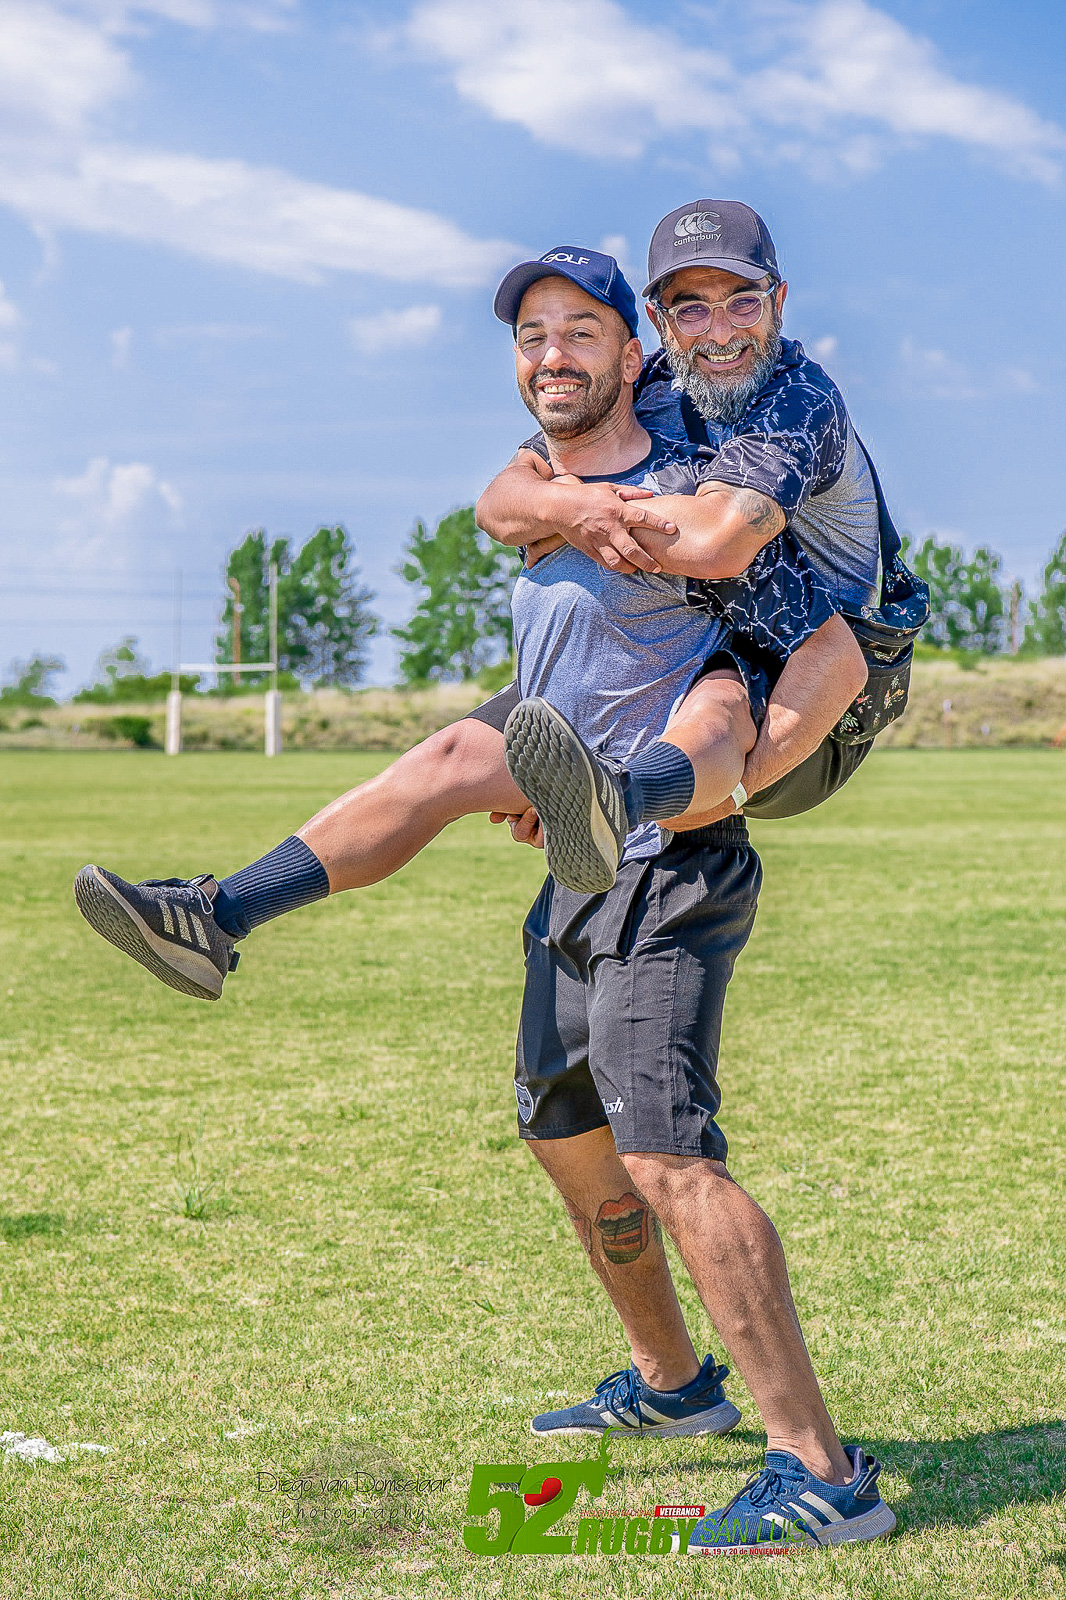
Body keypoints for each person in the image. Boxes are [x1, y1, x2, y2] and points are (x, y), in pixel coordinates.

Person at [72, 245, 864, 1000]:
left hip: (684, 731)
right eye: (533, 339)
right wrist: (564, 507)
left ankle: (612, 799)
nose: (553, 356)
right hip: (571, 724)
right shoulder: (551, 480)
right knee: (445, 760)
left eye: (580, 334)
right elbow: (496, 504)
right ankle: (215, 917)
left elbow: (811, 631)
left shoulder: (694, 488)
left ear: (633, 360)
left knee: (719, 708)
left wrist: (730, 785)